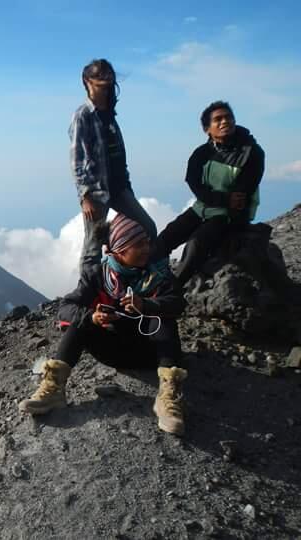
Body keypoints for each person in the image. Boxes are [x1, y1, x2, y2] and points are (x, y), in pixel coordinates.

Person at [19, 213, 188, 436]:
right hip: (112, 351)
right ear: (119, 249)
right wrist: (92, 317)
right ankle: (53, 389)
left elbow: (177, 304)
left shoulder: (159, 273)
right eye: (138, 244)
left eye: (147, 242)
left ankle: (168, 397)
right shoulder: (97, 275)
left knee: (163, 318)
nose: (147, 248)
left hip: (151, 352)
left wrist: (146, 305)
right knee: (79, 321)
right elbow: (66, 307)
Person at [157, 101, 265, 286]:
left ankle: (169, 291)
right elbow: (194, 183)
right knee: (167, 236)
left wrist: (219, 200)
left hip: (230, 216)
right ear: (207, 129)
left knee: (195, 245)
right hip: (203, 208)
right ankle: (143, 280)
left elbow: (239, 198)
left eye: (228, 117)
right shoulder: (201, 153)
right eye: (218, 119)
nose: (225, 122)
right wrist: (222, 198)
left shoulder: (251, 153)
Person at [70, 58, 157, 267]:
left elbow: (118, 155)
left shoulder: (109, 114)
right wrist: (85, 196)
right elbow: (77, 160)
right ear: (86, 80)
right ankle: (88, 295)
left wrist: (126, 184)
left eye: (107, 74)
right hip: (97, 193)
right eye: (99, 75)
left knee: (146, 228)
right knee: (93, 247)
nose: (105, 79)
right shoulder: (83, 115)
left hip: (119, 188)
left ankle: (135, 276)